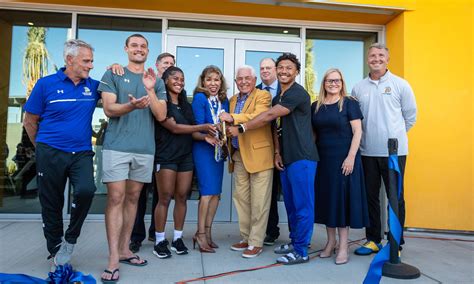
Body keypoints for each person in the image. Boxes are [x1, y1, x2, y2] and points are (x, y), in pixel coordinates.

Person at [235, 53, 319, 265]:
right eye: (280, 67)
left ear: (297, 71)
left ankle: (301, 250)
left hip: (303, 157)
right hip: (287, 157)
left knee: (303, 205)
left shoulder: (297, 93)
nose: (284, 71)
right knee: (291, 205)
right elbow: (276, 128)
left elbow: (271, 116)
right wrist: (277, 152)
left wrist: (243, 126)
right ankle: (294, 241)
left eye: (289, 68)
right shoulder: (277, 97)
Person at [22, 39, 100, 267]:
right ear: (70, 60)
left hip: (82, 153)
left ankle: (71, 238)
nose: (91, 65)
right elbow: (29, 121)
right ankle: (55, 248)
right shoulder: (45, 84)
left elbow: (113, 95)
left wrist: (115, 68)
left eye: (92, 61)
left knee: (87, 190)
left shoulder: (93, 86)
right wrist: (43, 148)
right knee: (51, 203)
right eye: (86, 61)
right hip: (50, 151)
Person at [99, 34, 167, 282]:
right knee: (116, 197)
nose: (139, 49)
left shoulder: (156, 81)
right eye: (134, 45)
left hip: (144, 149)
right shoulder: (113, 74)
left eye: (143, 46)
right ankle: (113, 258)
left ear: (148, 51)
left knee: (133, 198)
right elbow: (109, 109)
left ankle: (126, 249)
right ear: (126, 49)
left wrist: (149, 90)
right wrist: (131, 106)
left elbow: (161, 115)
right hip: (117, 147)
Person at [352, 43, 417, 256]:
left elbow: (410, 117)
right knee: (371, 197)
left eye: (381, 55)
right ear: (367, 59)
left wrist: (393, 136)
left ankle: (394, 243)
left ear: (387, 59)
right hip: (367, 152)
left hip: (393, 154)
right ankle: (373, 239)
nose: (376, 58)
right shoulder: (358, 88)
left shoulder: (400, 85)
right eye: (372, 55)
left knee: (395, 198)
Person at [152, 66, 216, 258]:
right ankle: (159, 240)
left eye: (182, 78)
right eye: (175, 78)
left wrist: (206, 137)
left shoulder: (184, 104)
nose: (180, 82)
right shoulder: (162, 103)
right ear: (165, 81)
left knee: (181, 197)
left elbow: (192, 131)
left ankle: (177, 238)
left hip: (185, 156)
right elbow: (174, 128)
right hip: (166, 155)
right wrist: (204, 126)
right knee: (164, 198)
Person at [311, 68, 369, 265]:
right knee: (329, 202)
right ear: (324, 83)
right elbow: (314, 135)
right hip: (323, 160)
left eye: (336, 80)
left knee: (341, 203)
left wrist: (351, 157)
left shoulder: (350, 103)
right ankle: (330, 242)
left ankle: (343, 246)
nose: (333, 84)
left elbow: (358, 132)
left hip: (345, 160)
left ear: (342, 83)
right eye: (329, 80)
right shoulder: (316, 106)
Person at [220, 65, 274, 258]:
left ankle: (256, 241)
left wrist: (232, 118)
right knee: (241, 199)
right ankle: (246, 237)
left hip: (260, 155)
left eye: (247, 78)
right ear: (235, 82)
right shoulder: (233, 99)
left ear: (254, 79)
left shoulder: (263, 96)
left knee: (260, 201)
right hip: (238, 155)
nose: (243, 81)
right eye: (239, 79)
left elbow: (259, 116)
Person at [129, 52, 176, 254]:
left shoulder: (175, 89)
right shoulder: (149, 82)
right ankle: (135, 237)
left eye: (172, 64)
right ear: (157, 66)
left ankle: (154, 232)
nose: (168, 66)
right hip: (144, 146)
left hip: (165, 151)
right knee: (138, 195)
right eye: (165, 63)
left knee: (161, 196)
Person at [192, 65, 229, 253]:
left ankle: (208, 232)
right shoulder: (200, 98)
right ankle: (200, 234)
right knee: (206, 193)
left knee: (216, 193)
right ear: (203, 81)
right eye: (209, 79)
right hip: (204, 149)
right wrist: (210, 132)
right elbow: (197, 127)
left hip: (218, 150)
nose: (213, 83)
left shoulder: (224, 101)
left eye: (216, 79)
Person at [256, 58, 282, 245]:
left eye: (268, 68)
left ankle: (300, 234)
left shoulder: (287, 89)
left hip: (286, 148)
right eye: (262, 68)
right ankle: (270, 231)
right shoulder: (255, 91)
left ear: (276, 70)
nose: (265, 71)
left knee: (288, 193)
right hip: (263, 148)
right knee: (268, 193)